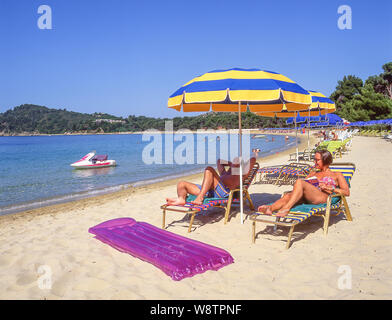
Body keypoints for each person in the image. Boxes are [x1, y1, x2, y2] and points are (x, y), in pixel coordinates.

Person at [257, 149, 349, 217]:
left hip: (323, 197)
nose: (314, 162)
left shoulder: (337, 175)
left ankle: (286, 208)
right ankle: (270, 208)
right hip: (308, 197)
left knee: (299, 182)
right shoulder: (313, 173)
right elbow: (303, 185)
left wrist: (330, 188)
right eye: (314, 159)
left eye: (317, 160)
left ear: (325, 160)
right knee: (288, 196)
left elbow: (346, 192)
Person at [166, 157, 257, 206]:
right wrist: (230, 163)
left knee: (209, 169)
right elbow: (219, 161)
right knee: (181, 184)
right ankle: (181, 199)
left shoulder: (240, 175)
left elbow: (253, 160)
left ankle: (200, 198)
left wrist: (239, 164)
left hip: (223, 192)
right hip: (209, 191)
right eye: (233, 162)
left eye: (237, 163)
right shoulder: (224, 173)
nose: (234, 163)